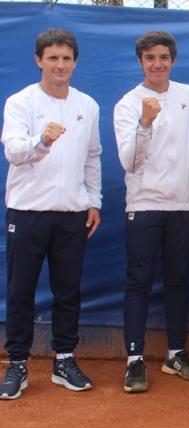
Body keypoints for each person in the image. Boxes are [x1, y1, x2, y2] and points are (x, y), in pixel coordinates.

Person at [0, 28, 102, 400]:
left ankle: (64, 358)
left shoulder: (87, 106)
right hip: (27, 211)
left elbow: (93, 156)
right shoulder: (19, 102)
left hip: (72, 214)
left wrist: (94, 201)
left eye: (66, 58)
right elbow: (13, 150)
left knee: (68, 291)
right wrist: (41, 141)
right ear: (38, 60)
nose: (60, 65)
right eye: (53, 58)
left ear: (74, 62)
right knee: (21, 290)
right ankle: (18, 365)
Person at [113, 31, 189, 393]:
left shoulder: (188, 95)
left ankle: (175, 354)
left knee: (177, 282)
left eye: (164, 58)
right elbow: (130, 162)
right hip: (144, 204)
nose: (158, 64)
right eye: (150, 58)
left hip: (183, 205)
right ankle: (135, 360)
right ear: (141, 62)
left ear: (172, 61)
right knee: (138, 282)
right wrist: (144, 124)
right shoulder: (128, 104)